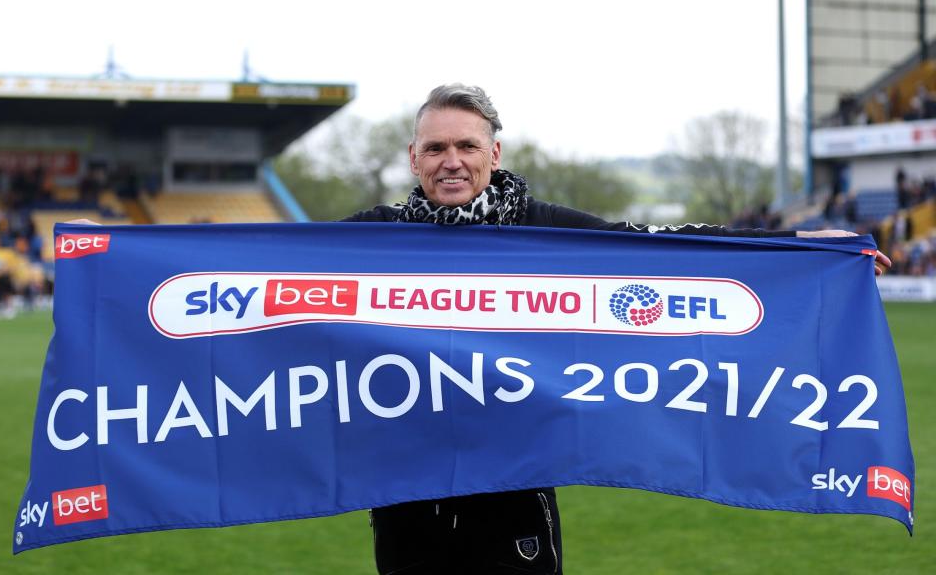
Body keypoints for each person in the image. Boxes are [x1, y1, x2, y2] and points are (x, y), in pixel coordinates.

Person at [344, 83, 891, 575]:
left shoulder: (546, 231)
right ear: (414, 159)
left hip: (510, 494)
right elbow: (264, 268)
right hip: (407, 499)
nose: (452, 161)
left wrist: (801, 248)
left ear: (494, 153)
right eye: (436, 148)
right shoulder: (372, 240)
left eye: (466, 146)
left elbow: (665, 246)